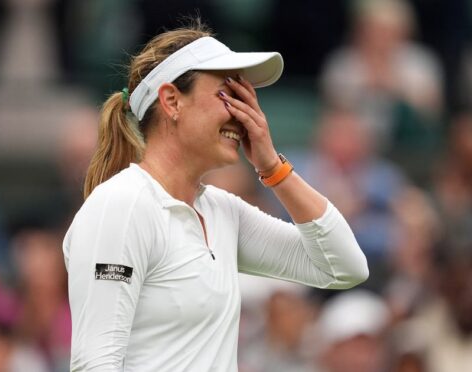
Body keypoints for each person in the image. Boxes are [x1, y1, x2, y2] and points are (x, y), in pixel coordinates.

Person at [62, 20, 369, 371]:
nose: (243, 114)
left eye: (244, 96)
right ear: (172, 101)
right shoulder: (121, 205)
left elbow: (344, 267)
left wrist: (274, 168)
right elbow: (94, 364)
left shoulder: (223, 212)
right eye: (227, 93)